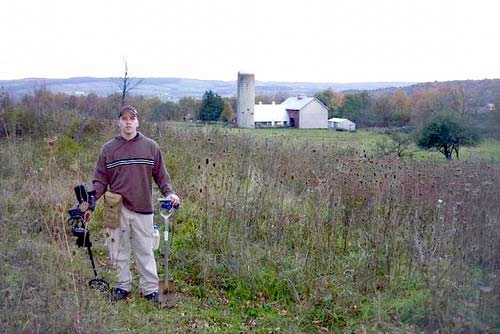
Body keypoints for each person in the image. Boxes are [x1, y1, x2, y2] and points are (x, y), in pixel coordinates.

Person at [90, 104, 180, 303]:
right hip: (116, 207)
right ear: (119, 122)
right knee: (117, 250)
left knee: (145, 250)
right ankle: (122, 286)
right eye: (124, 118)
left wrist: (170, 193)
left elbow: (162, 177)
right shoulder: (108, 149)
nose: (128, 121)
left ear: (137, 122)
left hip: (142, 207)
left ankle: (150, 290)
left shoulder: (151, 147)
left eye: (132, 118)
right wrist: (90, 200)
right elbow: (100, 180)